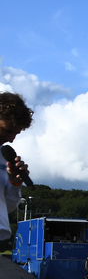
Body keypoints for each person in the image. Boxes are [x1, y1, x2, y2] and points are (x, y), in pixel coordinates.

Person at [0, 92, 32, 241]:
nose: (11, 139)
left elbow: (7, 207)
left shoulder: (4, 158)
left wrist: (15, 182)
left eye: (16, 134)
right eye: (7, 130)